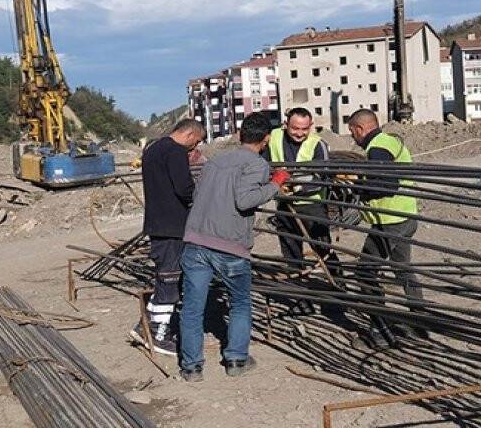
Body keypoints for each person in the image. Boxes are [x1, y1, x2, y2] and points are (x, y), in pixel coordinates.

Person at [178, 112, 286, 382]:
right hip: (229, 246)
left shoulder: (216, 161)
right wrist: (276, 183)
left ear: (239, 135)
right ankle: (236, 359)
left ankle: (191, 368)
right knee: (239, 303)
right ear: (266, 139)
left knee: (192, 307)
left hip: (196, 241)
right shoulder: (256, 163)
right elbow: (246, 200)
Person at [345, 108, 427, 348]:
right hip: (405, 217)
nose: (353, 138)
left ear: (360, 129)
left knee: (365, 273)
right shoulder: (388, 142)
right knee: (403, 269)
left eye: (352, 132)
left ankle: (379, 331)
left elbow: (385, 186)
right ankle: (419, 323)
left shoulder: (378, 148)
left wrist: (356, 186)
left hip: (390, 222)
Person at [131, 119, 205, 356]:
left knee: (164, 277)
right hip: (172, 227)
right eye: (197, 140)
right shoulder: (175, 152)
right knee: (170, 281)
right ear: (190, 134)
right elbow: (184, 188)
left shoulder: (153, 149)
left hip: (158, 224)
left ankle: (143, 327)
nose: (196, 146)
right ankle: (159, 335)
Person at [263, 107, 341, 315]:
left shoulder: (318, 144)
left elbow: (323, 176)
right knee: (291, 253)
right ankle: (301, 300)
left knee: (323, 249)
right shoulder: (273, 138)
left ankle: (339, 293)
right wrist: (273, 183)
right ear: (286, 124)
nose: (299, 133)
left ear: (311, 126)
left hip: (311, 205)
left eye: (304, 129)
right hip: (284, 206)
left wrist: (295, 186)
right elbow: (263, 164)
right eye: (295, 128)